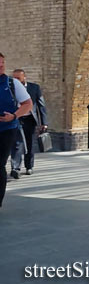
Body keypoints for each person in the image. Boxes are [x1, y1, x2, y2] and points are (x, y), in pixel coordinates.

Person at [0, 53, 32, 209]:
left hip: (6, 130)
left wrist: (14, 116)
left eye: (2, 64)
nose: (1, 67)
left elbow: (28, 104)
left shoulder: (12, 83)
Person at [10, 69, 45, 178]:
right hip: (16, 118)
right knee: (16, 144)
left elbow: (41, 105)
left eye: (18, 78)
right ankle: (15, 168)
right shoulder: (10, 88)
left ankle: (29, 166)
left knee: (30, 143)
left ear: (24, 78)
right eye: (14, 78)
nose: (15, 80)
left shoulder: (34, 88)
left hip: (29, 119)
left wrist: (44, 122)